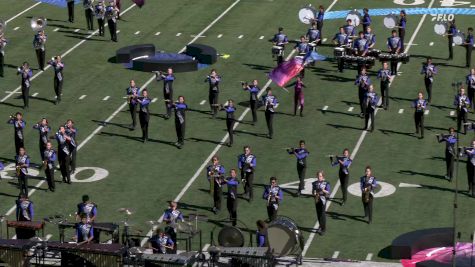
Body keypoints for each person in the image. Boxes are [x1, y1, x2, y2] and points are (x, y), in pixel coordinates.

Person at [312, 171, 330, 235]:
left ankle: (323, 229)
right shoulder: (314, 183)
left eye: (320, 176)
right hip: (317, 199)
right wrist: (314, 193)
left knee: (322, 215)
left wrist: (323, 190)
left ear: (323, 176)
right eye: (318, 176)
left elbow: (328, 192)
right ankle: (320, 226)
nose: (319, 177)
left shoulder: (326, 183)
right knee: (318, 214)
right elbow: (313, 191)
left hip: (323, 200)